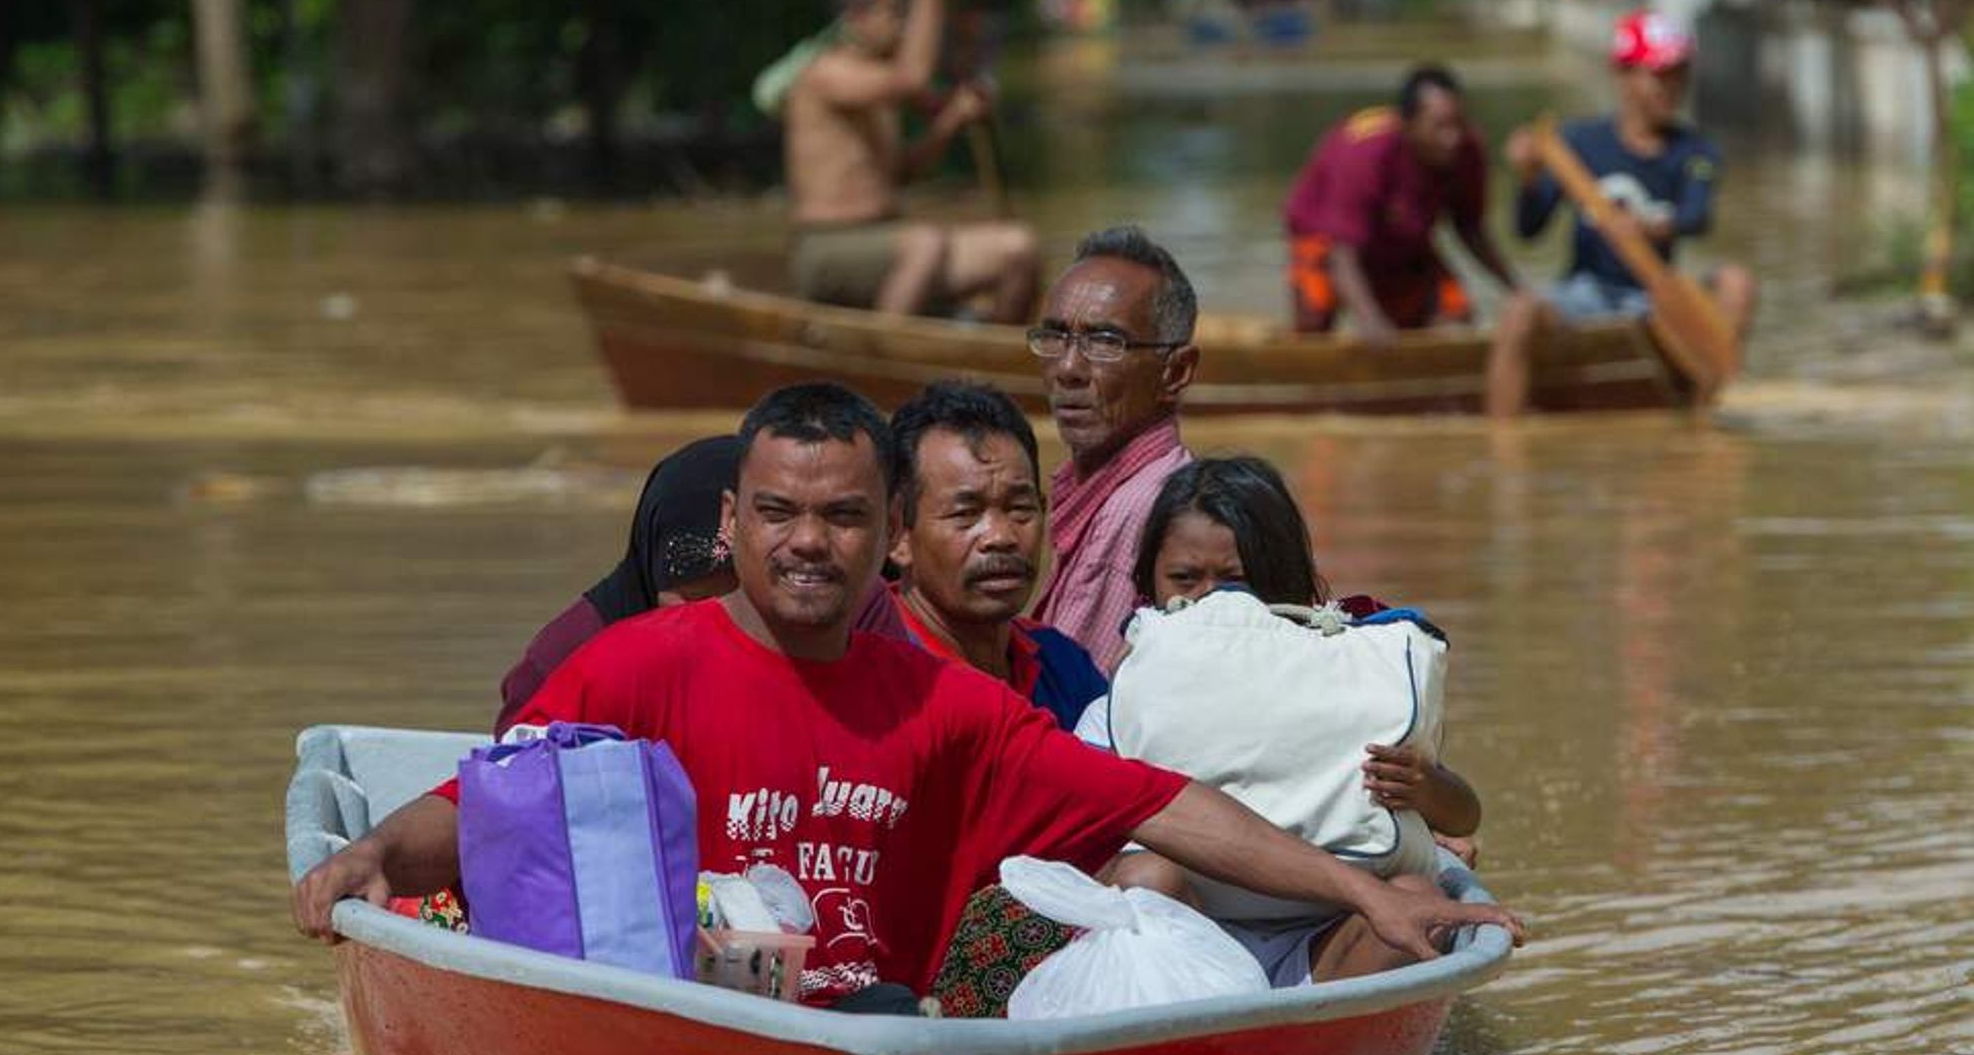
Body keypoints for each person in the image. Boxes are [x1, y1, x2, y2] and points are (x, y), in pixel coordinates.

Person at [292, 382, 1521, 1011]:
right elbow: (499, 800)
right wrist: (374, 853)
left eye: (837, 517)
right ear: (734, 522)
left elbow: (1161, 803)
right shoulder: (637, 667)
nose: (805, 546)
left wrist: (1363, 890)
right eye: (775, 515)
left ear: (882, 534)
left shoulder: (940, 706)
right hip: (692, 1018)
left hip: (891, 1021)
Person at [1086, 456, 1485, 987]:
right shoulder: (1119, 706)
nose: (1211, 601)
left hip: (1330, 944)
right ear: (1147, 584)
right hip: (1185, 950)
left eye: (1236, 582)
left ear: (1285, 582)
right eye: (1185, 579)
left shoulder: (1352, 681)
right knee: (1143, 877)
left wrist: (1423, 787)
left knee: (1418, 898)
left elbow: (1464, 815)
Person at [492, 436, 907, 736]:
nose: (719, 617)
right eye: (695, 600)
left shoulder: (847, 607)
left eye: (740, 596)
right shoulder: (565, 660)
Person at [1487, 10, 1758, 418]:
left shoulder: (1698, 153)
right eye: (1658, 74)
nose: (1671, 86)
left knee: (1737, 282)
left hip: (1653, 298)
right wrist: (1526, 179)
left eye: (1678, 73)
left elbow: (1697, 218)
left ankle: (1702, 413)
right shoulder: (1576, 143)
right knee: (1519, 311)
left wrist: (1651, 228)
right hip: (1586, 292)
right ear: (1624, 76)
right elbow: (1528, 231)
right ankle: (1502, 448)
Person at [777, 0, 1039, 322]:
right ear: (855, 17)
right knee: (925, 242)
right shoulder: (826, 73)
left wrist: (951, 121)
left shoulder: (876, 87)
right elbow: (912, 78)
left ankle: (982, 369)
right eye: (892, 12)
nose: (900, 24)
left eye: (902, 12)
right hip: (828, 248)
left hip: (886, 243)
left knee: (1019, 249)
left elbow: (902, 172)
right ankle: (884, 357)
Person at [885, 380, 1107, 730]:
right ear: (896, 533)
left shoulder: (1063, 666)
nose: (1001, 537)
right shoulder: (871, 674)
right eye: (965, 513)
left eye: (1020, 508)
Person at [1027, 225, 1198, 673]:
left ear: (1175, 372)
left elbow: (1066, 706)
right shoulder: (1149, 486)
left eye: (1105, 342)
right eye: (1055, 337)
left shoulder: (1134, 511)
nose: (1067, 369)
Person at [1283, 65, 1528, 342]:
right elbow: (1342, 253)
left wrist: (1517, 290)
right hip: (1327, 238)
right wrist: (1370, 319)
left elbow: (1470, 228)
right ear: (1407, 124)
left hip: (1401, 242)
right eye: (1439, 127)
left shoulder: (1467, 150)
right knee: (1315, 321)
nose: (1452, 138)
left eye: (1457, 124)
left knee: (1456, 317)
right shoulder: (1367, 153)